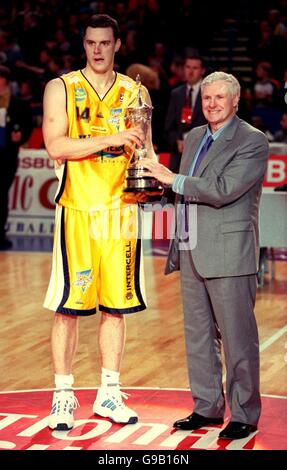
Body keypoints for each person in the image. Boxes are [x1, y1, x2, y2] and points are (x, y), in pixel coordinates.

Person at [42, 14, 157, 431]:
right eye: (91, 42)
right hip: (78, 209)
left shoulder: (133, 92)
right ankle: (63, 396)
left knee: (116, 307)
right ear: (83, 44)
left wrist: (152, 177)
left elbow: (147, 151)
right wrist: (109, 139)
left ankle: (109, 392)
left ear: (117, 45)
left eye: (104, 43)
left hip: (121, 213)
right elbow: (56, 144)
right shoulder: (62, 87)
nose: (97, 49)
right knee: (68, 308)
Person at [141, 71, 269, 440]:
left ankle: (245, 413)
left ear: (235, 101)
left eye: (219, 98)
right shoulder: (195, 136)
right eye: (207, 98)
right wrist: (155, 191)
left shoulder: (252, 141)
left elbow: (223, 190)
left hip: (229, 252)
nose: (211, 104)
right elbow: (184, 191)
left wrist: (172, 179)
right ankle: (207, 406)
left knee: (237, 338)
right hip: (191, 247)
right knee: (198, 335)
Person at [0, 65, 32, 250]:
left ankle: (0, 234)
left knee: (1, 195)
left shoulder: (19, 104)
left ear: (5, 80)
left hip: (6, 156)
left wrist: (21, 136)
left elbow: (27, 126)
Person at [164, 55, 207, 174]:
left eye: (195, 68)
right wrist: (177, 141)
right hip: (179, 158)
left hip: (203, 155)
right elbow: (169, 127)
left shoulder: (209, 92)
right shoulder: (176, 93)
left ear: (202, 71)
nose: (191, 71)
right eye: (188, 67)